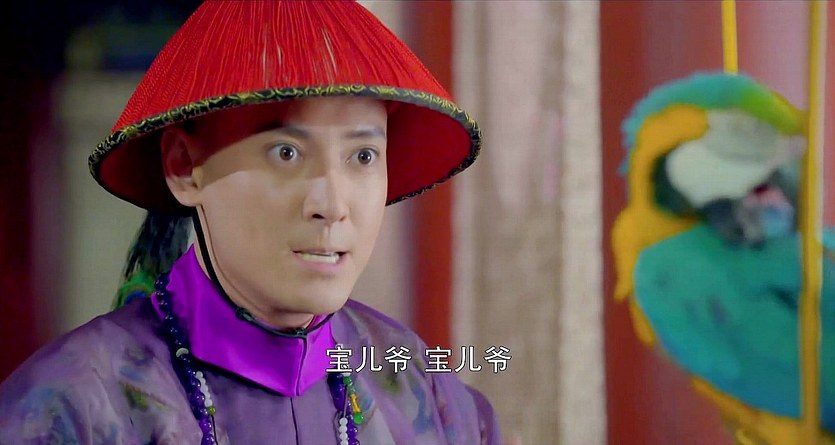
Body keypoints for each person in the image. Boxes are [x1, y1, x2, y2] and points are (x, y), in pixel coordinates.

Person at [0, 1, 499, 444]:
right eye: (286, 152)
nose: (332, 204)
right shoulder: (70, 409)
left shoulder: (423, 390)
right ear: (184, 167)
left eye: (363, 156)